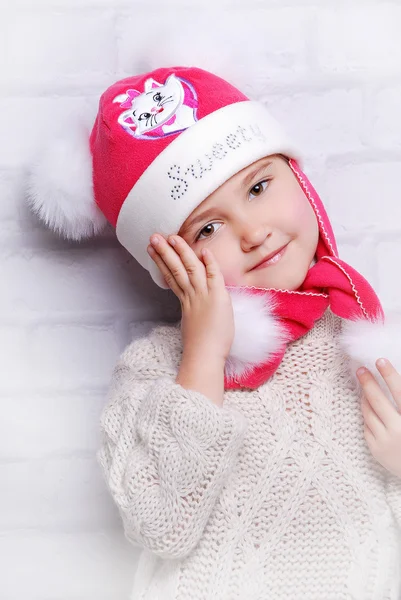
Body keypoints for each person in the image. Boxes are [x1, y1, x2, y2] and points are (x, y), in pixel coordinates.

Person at [26, 66, 401, 599]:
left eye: (260, 186)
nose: (253, 233)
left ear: (300, 178)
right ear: (170, 263)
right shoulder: (155, 371)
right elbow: (162, 526)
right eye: (207, 227)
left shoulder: (367, 338)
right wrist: (203, 353)